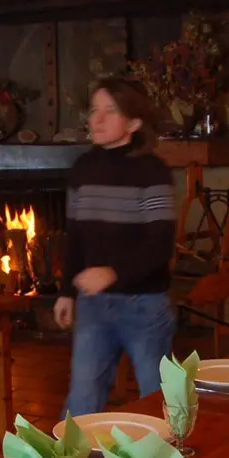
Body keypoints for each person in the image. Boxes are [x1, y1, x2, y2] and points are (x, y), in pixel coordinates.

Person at [55, 77, 177, 417]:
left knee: (159, 401)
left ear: (134, 123)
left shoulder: (152, 171)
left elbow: (160, 245)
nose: (97, 119)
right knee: (82, 399)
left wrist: (113, 272)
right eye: (95, 110)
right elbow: (75, 236)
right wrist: (66, 292)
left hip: (145, 307)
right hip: (94, 305)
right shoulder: (83, 169)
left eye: (111, 111)